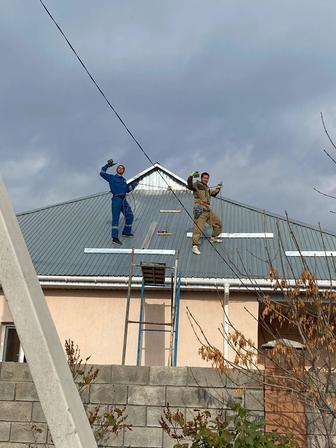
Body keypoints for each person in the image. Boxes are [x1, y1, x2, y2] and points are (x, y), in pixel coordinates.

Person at [100, 159, 138, 245]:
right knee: (116, 218)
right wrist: (107, 165)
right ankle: (115, 238)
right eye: (119, 168)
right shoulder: (111, 178)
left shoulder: (124, 181)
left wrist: (135, 184)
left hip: (124, 200)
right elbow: (102, 173)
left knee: (130, 216)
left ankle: (126, 232)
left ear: (124, 171)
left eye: (122, 168)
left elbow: (128, 190)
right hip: (116, 199)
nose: (120, 169)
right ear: (116, 170)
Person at [187, 171, 223, 255]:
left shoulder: (207, 189)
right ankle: (195, 246)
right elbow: (189, 186)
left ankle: (213, 238)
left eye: (207, 178)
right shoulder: (197, 185)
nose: (206, 179)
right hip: (199, 209)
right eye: (204, 178)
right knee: (198, 228)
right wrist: (191, 176)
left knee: (218, 223)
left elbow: (213, 193)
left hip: (207, 210)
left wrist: (218, 187)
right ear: (201, 178)